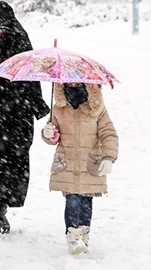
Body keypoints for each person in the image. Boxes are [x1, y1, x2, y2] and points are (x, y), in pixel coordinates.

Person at [0, 1, 51, 239]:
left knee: (10, 165)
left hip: (14, 113)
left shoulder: (20, 39)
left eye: (3, 30)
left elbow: (31, 75)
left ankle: (1, 209)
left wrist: (37, 106)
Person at [41, 82, 119, 255]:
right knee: (72, 200)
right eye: (69, 80)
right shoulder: (59, 108)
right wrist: (48, 133)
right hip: (67, 163)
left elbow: (109, 134)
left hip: (89, 164)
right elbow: (54, 135)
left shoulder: (97, 108)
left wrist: (108, 157)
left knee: (86, 202)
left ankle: (84, 234)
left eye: (77, 80)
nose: (73, 83)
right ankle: (73, 236)